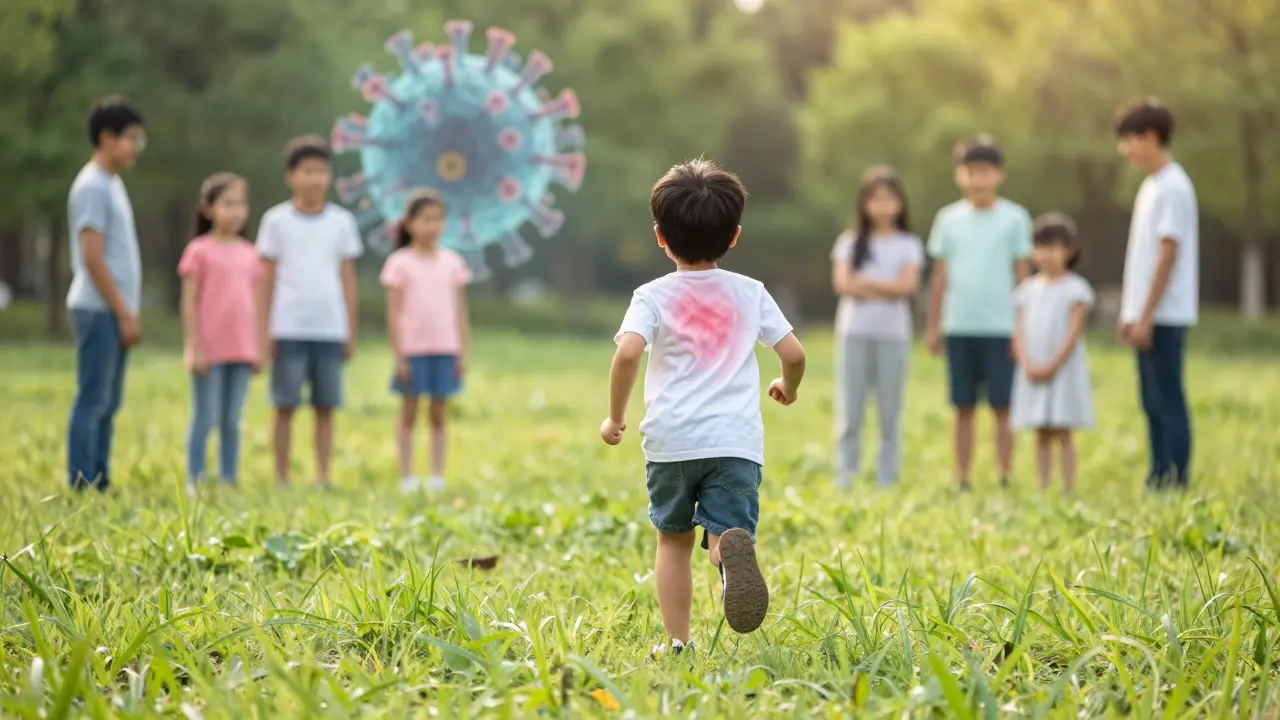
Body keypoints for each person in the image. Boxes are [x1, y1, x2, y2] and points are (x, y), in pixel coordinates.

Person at [600, 159, 807, 656]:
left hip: (671, 441)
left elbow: (627, 354)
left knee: (671, 541)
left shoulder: (651, 296)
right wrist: (788, 386)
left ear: (660, 236)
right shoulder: (750, 292)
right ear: (733, 236)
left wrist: (616, 416)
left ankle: (678, 643)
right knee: (725, 529)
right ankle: (725, 553)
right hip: (734, 442)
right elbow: (795, 354)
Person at [925, 136, 1033, 490]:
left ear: (999, 174)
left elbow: (1022, 277)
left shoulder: (1015, 218)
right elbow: (939, 277)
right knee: (963, 406)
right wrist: (933, 325)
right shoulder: (948, 219)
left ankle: (1004, 474)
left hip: (1001, 326)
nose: (979, 179)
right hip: (959, 325)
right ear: (960, 175)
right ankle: (963, 476)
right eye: (971, 172)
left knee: (1003, 406)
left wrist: (1022, 328)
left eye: (986, 172)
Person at [256, 135, 363, 488]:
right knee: (284, 405)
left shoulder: (341, 222)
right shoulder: (276, 221)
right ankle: (281, 476)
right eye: (307, 171)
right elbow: (265, 281)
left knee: (326, 407)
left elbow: (347, 279)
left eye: (321, 171)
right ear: (291, 176)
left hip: (329, 327)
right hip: (287, 326)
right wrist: (263, 330)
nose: (315, 179)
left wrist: (350, 330)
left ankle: (323, 475)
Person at [1115, 98, 1198, 490]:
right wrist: (1130, 312)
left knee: (1168, 398)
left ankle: (1176, 477)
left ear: (1151, 137)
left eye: (1129, 139)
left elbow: (1168, 254)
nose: (1125, 149)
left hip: (1165, 313)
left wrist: (1146, 314)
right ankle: (1157, 474)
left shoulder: (1174, 187)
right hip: (1146, 313)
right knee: (1151, 401)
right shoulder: (1152, 186)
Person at [65, 96, 147, 492]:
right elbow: (92, 258)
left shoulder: (112, 183)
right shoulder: (93, 186)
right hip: (98, 308)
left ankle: (100, 478)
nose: (137, 148)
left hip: (112, 310)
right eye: (132, 139)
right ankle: (83, 482)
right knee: (93, 399)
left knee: (108, 402)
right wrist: (123, 311)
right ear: (106, 138)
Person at [829, 166, 923, 490]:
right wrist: (887, 287)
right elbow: (843, 284)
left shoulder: (908, 244)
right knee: (850, 410)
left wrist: (866, 282)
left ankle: (887, 480)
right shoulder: (849, 242)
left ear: (900, 203)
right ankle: (846, 477)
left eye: (889, 198)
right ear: (864, 203)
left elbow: (907, 287)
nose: (882, 206)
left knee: (889, 412)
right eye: (875, 199)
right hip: (854, 333)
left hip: (893, 335)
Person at [380, 190, 472, 494]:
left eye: (438, 219)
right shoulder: (399, 263)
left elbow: (460, 311)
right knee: (409, 411)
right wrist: (399, 355)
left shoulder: (452, 262)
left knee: (438, 413)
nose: (433, 226)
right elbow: (394, 315)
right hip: (412, 350)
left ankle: (436, 474)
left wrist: (462, 351)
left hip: (445, 347)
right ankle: (407, 475)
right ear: (409, 223)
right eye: (426, 219)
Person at [178, 173, 262, 491]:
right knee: (205, 417)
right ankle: (196, 478)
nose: (237, 211)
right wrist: (194, 345)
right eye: (228, 204)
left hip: (241, 349)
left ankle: (229, 479)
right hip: (209, 351)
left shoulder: (250, 253)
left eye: (241, 204)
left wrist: (257, 347)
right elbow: (189, 302)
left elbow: (255, 305)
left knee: (232, 420)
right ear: (208, 209)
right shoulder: (199, 251)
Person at [1010, 213, 1095, 492]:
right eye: (1041, 247)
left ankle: (1068, 487)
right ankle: (1043, 486)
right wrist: (1026, 362)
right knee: (1041, 431)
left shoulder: (1076, 289)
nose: (1047, 255)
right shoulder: (1027, 290)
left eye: (1053, 247)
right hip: (1033, 367)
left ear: (1069, 251)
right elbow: (1019, 330)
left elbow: (1074, 332)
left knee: (1062, 429)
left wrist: (1053, 365)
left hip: (1062, 369)